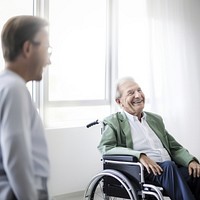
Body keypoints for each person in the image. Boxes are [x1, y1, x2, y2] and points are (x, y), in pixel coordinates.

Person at [98, 76, 200, 200]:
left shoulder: (155, 119)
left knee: (196, 173)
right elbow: (106, 148)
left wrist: (190, 160)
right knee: (168, 167)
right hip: (142, 173)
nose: (138, 95)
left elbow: (174, 147)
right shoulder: (114, 122)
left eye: (139, 90)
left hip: (170, 168)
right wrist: (139, 155)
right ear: (119, 102)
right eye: (131, 93)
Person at [0, 15, 51, 200]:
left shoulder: (6, 85)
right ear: (28, 48)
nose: (48, 61)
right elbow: (16, 160)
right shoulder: (14, 89)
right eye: (47, 49)